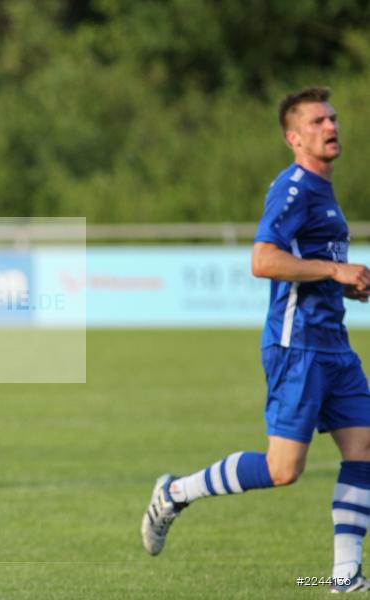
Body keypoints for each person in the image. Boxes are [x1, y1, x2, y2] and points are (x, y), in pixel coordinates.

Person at [141, 87, 370, 591]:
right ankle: (176, 492)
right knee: (284, 469)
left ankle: (344, 575)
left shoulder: (324, 192)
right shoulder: (294, 189)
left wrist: (348, 286)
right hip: (298, 345)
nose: (330, 127)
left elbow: (310, 269)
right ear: (293, 137)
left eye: (332, 119)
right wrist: (335, 270)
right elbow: (262, 260)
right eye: (316, 122)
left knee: (365, 449)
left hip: (335, 343)